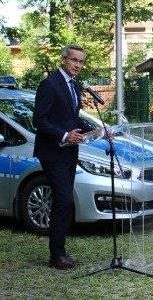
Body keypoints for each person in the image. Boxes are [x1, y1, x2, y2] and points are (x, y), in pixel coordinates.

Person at [33, 44, 99, 270]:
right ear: (63, 60)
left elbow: (71, 119)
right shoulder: (49, 85)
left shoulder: (75, 86)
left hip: (70, 151)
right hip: (52, 153)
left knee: (63, 201)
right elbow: (39, 120)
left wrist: (96, 130)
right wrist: (63, 135)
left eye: (81, 62)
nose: (78, 65)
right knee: (64, 200)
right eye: (74, 60)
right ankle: (57, 255)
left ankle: (58, 252)